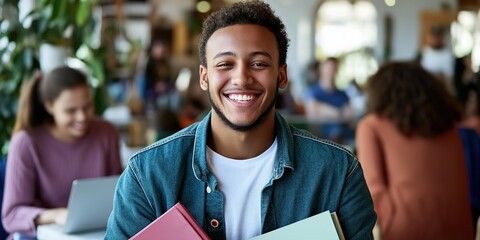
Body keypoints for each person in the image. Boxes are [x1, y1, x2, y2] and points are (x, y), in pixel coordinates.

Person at [105, 1, 376, 239]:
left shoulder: (338, 173)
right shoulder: (149, 175)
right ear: (204, 77)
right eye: (225, 64)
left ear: (282, 75)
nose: (242, 78)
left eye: (259, 63)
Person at [355, 61, 474, 239]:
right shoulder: (449, 127)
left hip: (407, 231)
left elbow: (372, 192)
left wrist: (394, 220)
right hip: (460, 230)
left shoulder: (371, 126)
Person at [2, 67, 123, 239]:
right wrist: (57, 215)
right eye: (71, 111)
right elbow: (12, 215)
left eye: (87, 106)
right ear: (49, 106)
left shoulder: (106, 132)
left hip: (96, 234)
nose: (82, 117)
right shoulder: (26, 142)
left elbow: (119, 191)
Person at [304, 57, 354, 143]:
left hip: (344, 138)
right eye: (328, 67)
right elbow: (312, 112)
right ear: (321, 69)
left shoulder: (342, 94)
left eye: (334, 68)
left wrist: (323, 110)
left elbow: (349, 117)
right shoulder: (312, 91)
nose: (331, 71)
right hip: (321, 138)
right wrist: (338, 113)